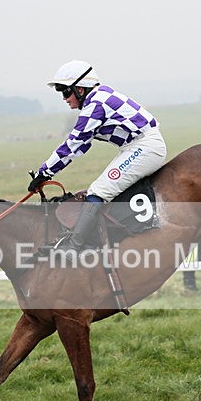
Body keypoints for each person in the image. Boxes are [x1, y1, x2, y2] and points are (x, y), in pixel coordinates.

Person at [27, 60, 167, 259]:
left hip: (144, 147)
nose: (64, 98)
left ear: (80, 90)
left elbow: (74, 143)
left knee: (98, 191)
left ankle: (74, 247)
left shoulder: (95, 105)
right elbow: (82, 145)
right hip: (138, 145)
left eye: (66, 92)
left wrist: (45, 173)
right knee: (101, 188)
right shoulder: (99, 97)